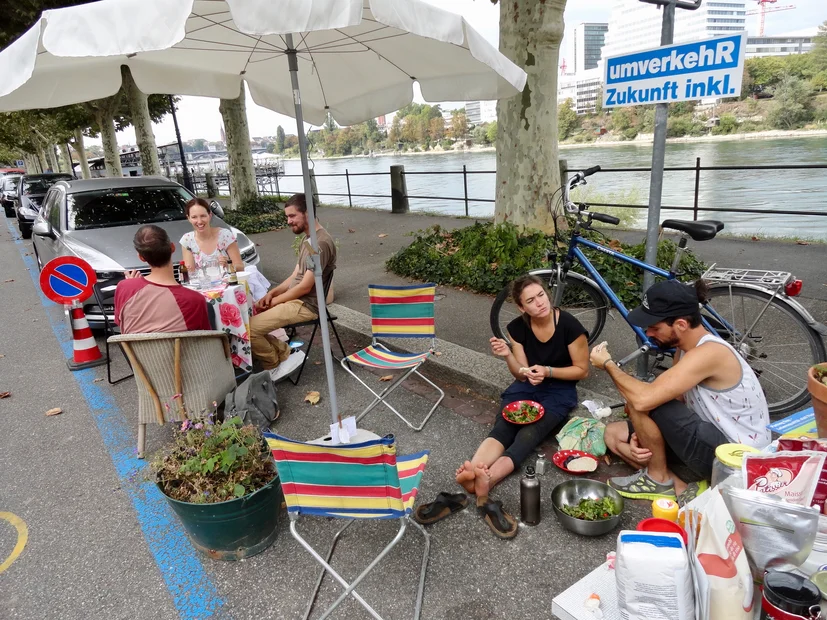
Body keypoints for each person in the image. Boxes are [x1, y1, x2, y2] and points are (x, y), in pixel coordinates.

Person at [590, 279, 771, 504]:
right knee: (613, 434)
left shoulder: (710, 352)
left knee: (640, 400)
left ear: (681, 325)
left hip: (737, 462)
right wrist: (643, 433)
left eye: (655, 327)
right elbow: (673, 397)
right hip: (712, 440)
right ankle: (676, 485)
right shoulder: (685, 348)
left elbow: (645, 400)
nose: (648, 333)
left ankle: (657, 478)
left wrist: (608, 364)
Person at [449, 275, 589, 537]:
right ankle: (474, 471)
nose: (539, 303)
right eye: (530, 301)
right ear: (522, 308)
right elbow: (521, 374)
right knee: (505, 424)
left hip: (559, 388)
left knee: (529, 432)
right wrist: (508, 356)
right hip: (528, 386)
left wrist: (548, 371)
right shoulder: (517, 327)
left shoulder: (570, 326)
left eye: (541, 296)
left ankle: (487, 480)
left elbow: (582, 371)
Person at [249, 193, 336, 376]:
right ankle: (285, 353)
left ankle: (273, 365)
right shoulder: (308, 239)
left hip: (306, 305)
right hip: (296, 301)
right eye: (287, 216)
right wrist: (271, 294)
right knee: (248, 324)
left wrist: (275, 302)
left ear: (308, 213)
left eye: (292, 216)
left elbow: (305, 287)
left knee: (249, 330)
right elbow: (296, 274)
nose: (288, 221)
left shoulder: (320, 243)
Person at [114, 225, 211, 334]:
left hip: (135, 351)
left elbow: (122, 322)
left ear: (141, 257)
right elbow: (205, 337)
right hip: (180, 351)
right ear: (173, 247)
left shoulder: (124, 287)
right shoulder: (195, 300)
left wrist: (131, 285)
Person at [180, 197, 244, 274]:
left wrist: (228, 265)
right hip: (202, 285)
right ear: (189, 218)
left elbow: (240, 267)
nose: (199, 221)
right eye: (194, 217)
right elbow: (190, 273)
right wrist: (186, 271)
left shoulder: (225, 235)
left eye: (203, 216)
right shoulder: (187, 240)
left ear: (210, 215)